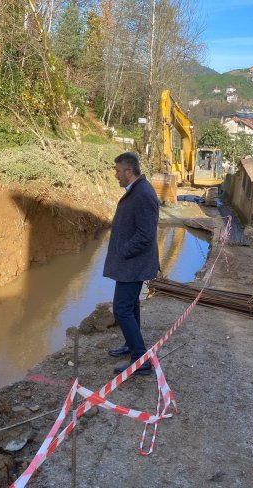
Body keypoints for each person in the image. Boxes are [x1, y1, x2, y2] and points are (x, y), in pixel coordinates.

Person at [104, 152, 160, 376]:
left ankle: (141, 360)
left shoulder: (143, 194)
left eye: (118, 170)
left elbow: (145, 235)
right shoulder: (136, 191)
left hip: (133, 263)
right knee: (131, 305)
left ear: (129, 172)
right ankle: (131, 345)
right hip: (131, 263)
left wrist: (122, 252)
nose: (115, 174)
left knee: (121, 308)